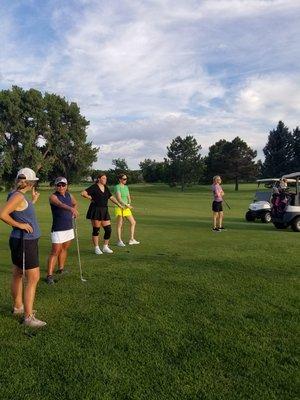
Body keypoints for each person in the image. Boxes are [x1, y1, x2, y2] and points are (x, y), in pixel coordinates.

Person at [0, 168, 46, 328]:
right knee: (33, 278)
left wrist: (32, 201)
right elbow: (3, 213)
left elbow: (21, 211)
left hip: (21, 241)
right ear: (29, 182)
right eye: (34, 181)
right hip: (25, 241)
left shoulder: (16, 195)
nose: (35, 183)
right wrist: (19, 225)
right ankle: (28, 318)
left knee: (18, 274)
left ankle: (19, 307)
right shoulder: (18, 196)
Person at [46, 177, 79, 285]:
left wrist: (74, 210)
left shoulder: (69, 195)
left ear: (66, 186)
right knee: (55, 251)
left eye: (63, 185)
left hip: (68, 227)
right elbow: (59, 204)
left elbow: (74, 203)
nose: (61, 187)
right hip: (58, 228)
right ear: (55, 186)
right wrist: (71, 209)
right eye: (58, 185)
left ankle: (60, 269)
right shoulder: (53, 196)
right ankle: (49, 276)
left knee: (64, 249)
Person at [81, 172, 123, 254]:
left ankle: (105, 247)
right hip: (95, 210)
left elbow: (111, 197)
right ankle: (96, 248)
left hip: (104, 210)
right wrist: (90, 197)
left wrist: (118, 204)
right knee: (96, 230)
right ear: (99, 179)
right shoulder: (94, 187)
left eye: (106, 178)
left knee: (108, 230)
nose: (105, 180)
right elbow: (83, 193)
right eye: (103, 178)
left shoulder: (105, 187)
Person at [114, 173, 140, 246]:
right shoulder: (117, 187)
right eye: (124, 179)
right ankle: (119, 241)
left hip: (126, 207)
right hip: (119, 207)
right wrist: (126, 205)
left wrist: (129, 203)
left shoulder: (126, 187)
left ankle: (131, 239)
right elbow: (119, 198)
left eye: (126, 179)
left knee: (133, 222)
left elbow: (128, 197)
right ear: (120, 179)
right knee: (120, 224)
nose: (126, 180)